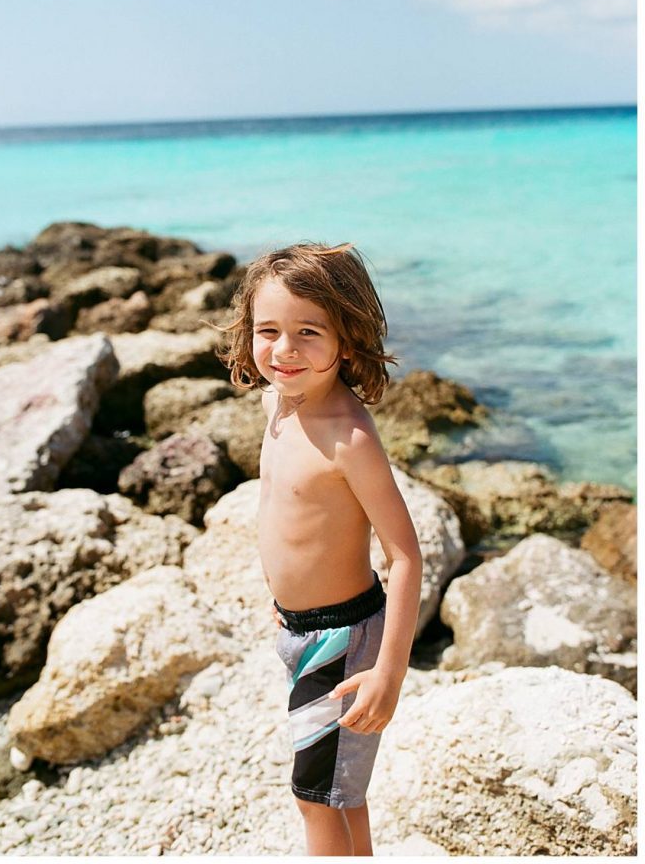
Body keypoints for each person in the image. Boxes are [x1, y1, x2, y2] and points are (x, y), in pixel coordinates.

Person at [215, 240, 423, 856]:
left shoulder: (348, 435)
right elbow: (286, 511)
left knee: (314, 800)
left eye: (308, 332)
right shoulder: (275, 403)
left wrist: (389, 670)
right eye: (269, 330)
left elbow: (406, 554)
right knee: (337, 794)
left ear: (348, 340)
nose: (284, 350)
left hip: (343, 641)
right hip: (301, 629)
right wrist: (285, 597)